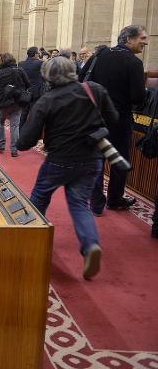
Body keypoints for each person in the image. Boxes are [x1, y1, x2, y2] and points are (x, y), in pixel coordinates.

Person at [17, 57, 119, 280]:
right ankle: (90, 245)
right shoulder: (94, 89)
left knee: (39, 198)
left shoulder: (47, 100)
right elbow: (114, 118)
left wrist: (23, 141)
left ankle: (29, 243)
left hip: (59, 160)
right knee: (80, 204)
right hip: (92, 158)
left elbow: (25, 141)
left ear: (47, 76)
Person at [80, 25, 148, 214]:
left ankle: (96, 204)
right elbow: (137, 97)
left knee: (96, 159)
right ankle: (115, 199)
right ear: (129, 39)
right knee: (119, 160)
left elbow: (80, 79)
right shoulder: (134, 63)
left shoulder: (98, 55)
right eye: (142, 38)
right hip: (119, 119)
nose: (146, 42)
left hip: (93, 117)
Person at [0, 52, 30, 156]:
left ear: (2, 61)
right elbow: (28, 84)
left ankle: (1, 146)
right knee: (15, 125)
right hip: (17, 102)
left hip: (3, 102)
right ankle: (14, 150)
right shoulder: (20, 70)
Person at [18, 46, 45, 130]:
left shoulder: (21, 63)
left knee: (23, 114)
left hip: (24, 92)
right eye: (38, 53)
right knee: (34, 115)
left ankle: (20, 132)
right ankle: (32, 133)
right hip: (36, 93)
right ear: (35, 54)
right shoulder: (40, 63)